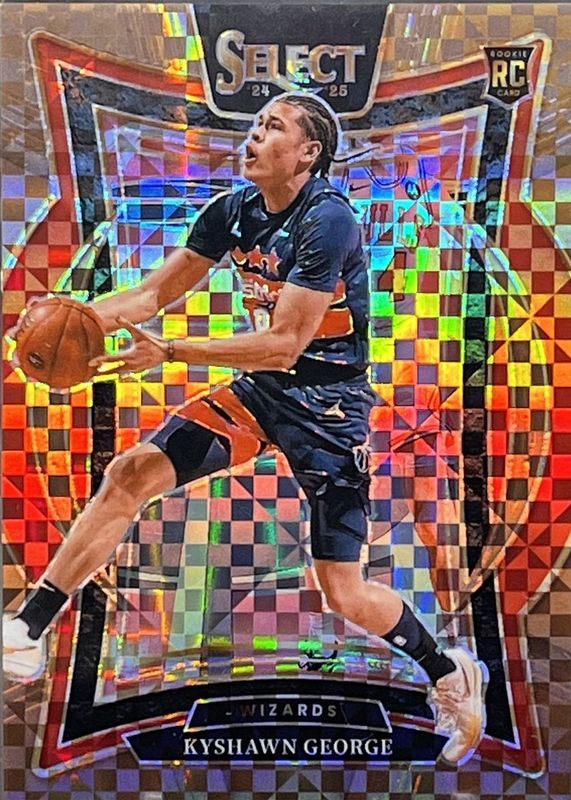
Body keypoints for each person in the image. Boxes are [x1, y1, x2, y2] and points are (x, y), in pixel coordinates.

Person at [2, 92, 487, 765]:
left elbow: (285, 344)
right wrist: (75, 320)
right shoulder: (232, 211)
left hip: (328, 410)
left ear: (309, 152)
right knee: (130, 473)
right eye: (255, 124)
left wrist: (172, 351)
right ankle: (27, 628)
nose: (254, 136)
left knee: (342, 590)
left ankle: (447, 670)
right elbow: (151, 295)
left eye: (272, 127)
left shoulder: (328, 220)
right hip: (263, 396)